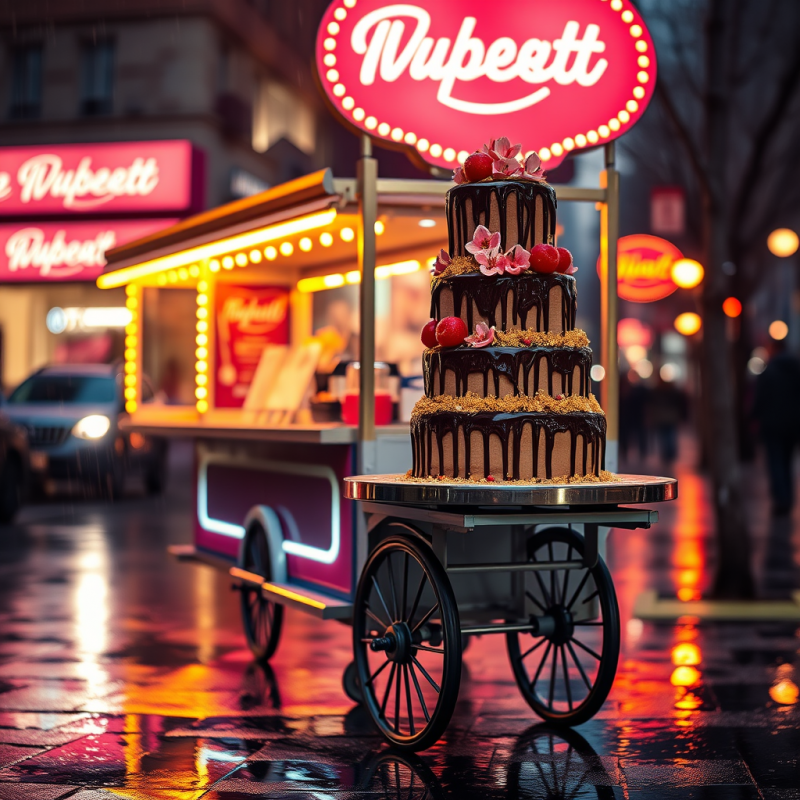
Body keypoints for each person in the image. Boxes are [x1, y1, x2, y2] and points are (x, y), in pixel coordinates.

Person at [753, 338, 800, 516]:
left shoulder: (769, 371)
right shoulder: (796, 369)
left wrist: (754, 417)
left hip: (772, 425)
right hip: (793, 425)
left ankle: (781, 499)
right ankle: (788, 498)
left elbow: (760, 399)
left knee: (776, 462)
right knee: (787, 462)